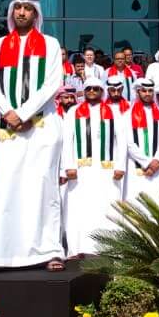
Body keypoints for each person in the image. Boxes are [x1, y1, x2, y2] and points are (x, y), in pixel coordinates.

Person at [0, 0, 67, 270]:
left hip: (42, 127)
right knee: (6, 187)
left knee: (43, 188)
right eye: (17, 8)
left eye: (27, 8)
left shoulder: (51, 44)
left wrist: (23, 113)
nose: (21, 12)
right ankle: (6, 253)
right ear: (11, 12)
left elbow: (52, 84)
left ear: (36, 14)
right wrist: (11, 114)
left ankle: (49, 251)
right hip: (9, 128)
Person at [60, 77, 125, 257]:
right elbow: (67, 141)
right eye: (89, 89)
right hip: (81, 170)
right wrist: (69, 166)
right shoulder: (73, 111)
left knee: (107, 206)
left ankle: (109, 250)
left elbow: (122, 140)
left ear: (102, 91)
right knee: (79, 207)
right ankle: (77, 248)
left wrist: (120, 166)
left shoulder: (114, 111)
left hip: (107, 169)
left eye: (96, 89)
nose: (92, 92)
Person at [123, 77, 159, 207]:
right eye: (144, 91)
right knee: (137, 203)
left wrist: (156, 161)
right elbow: (129, 143)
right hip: (136, 167)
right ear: (137, 93)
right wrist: (147, 163)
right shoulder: (127, 115)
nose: (147, 94)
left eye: (150, 91)